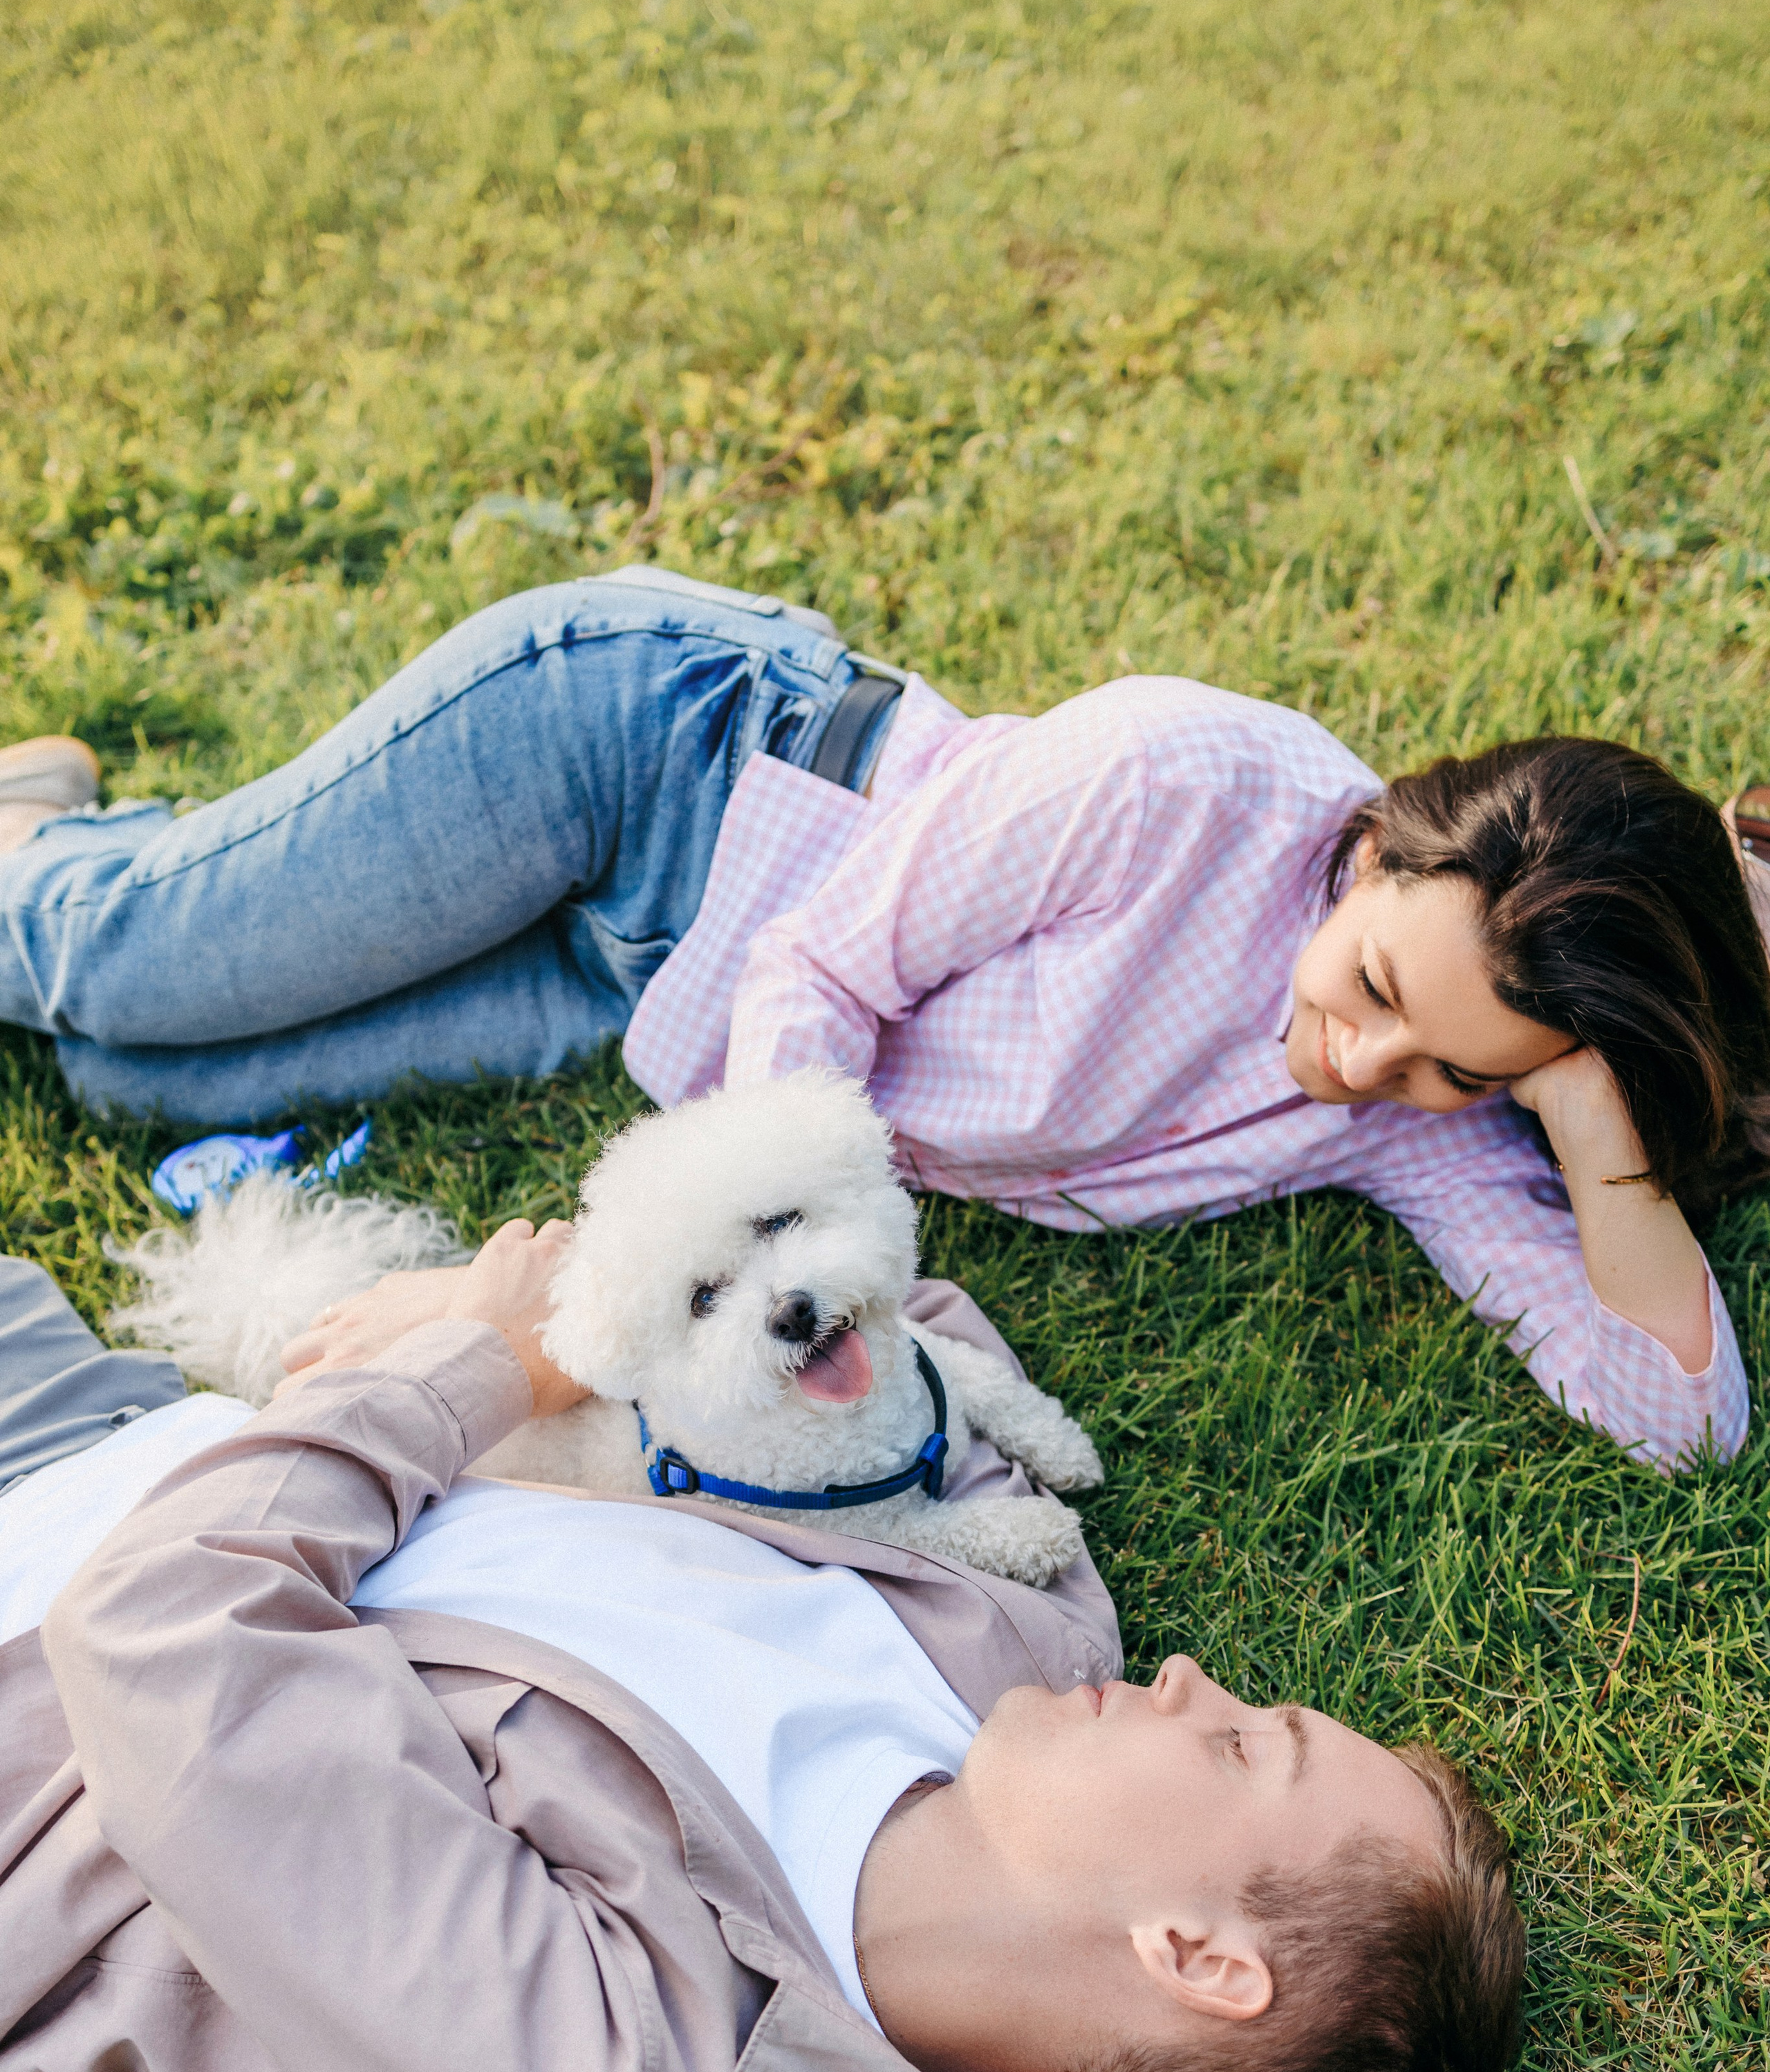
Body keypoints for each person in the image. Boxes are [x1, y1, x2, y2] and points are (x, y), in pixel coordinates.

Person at [0, 1225, 1522, 2072]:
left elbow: (162, 1630)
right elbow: (894, 1333)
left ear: (1193, 1956)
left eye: (1247, 1746)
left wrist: (474, 1365)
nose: (1192, 1681)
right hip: (112, 1418)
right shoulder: (1017, 1637)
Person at [2, 566, 1764, 1471]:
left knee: (137, 1078)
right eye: (1372, 988)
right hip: (645, 759)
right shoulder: (1179, 777)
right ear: (1374, 849)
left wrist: (1589, 1132)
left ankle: (52, 828)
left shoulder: (1413, 1116)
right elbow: (819, 979)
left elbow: (1676, 1421)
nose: (1363, 1065)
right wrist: (815, 1309)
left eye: (1460, 1070)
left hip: (640, 981)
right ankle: (47, 867)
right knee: (116, 972)